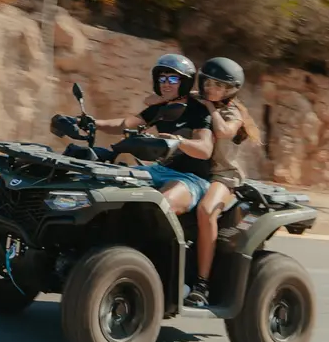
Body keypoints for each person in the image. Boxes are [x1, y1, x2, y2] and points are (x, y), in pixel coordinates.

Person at [79, 54, 215, 215]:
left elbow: (205, 149)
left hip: (191, 178)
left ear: (185, 82)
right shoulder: (161, 107)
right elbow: (125, 125)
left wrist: (178, 141)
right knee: (105, 188)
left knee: (159, 206)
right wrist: (90, 123)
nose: (165, 84)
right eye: (162, 79)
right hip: (159, 170)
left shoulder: (198, 111)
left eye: (172, 79)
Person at [182, 57, 261, 307]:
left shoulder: (233, 112)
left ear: (231, 90)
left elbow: (224, 132)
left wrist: (210, 109)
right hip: (195, 170)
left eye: (219, 86)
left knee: (206, 211)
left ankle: (202, 284)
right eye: (208, 82)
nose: (211, 89)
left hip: (224, 176)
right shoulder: (200, 98)